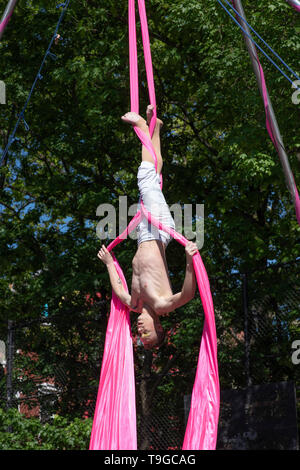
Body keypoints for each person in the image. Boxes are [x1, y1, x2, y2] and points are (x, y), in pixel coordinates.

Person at [98, 106, 198, 349]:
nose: (140, 332)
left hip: (144, 234)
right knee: (145, 178)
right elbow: (187, 295)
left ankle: (156, 129)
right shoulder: (162, 304)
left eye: (140, 336)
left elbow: (119, 290)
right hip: (160, 229)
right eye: (148, 334)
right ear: (160, 327)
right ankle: (143, 127)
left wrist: (110, 264)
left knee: (152, 175)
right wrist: (189, 261)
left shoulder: (134, 303)